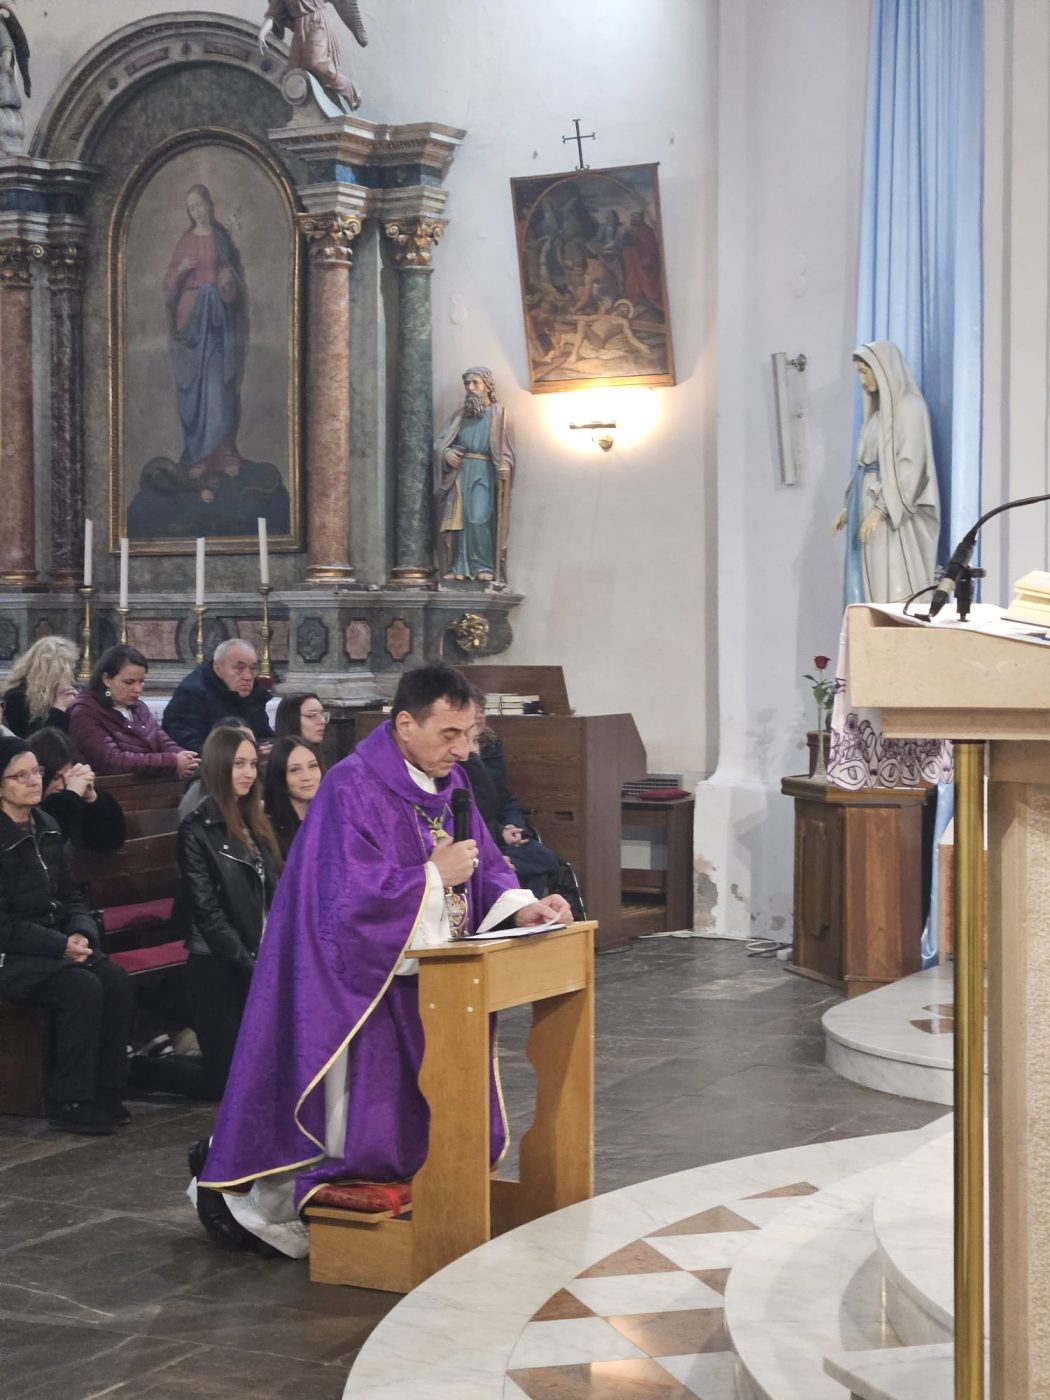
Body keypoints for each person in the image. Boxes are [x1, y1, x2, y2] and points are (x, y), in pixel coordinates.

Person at [192, 663, 571, 1257]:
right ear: (405, 725)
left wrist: (521, 907)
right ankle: (254, 1199)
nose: (463, 750)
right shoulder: (352, 787)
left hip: (434, 980)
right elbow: (344, 903)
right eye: (450, 734)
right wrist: (430, 878)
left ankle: (417, 1183)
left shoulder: (452, 783)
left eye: (470, 734)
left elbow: (484, 865)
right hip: (358, 986)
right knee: (350, 1114)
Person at [0, 736, 133, 1134]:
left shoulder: (47, 825)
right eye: (20, 775)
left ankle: (106, 1089)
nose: (33, 781)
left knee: (114, 979)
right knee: (80, 987)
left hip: (54, 942)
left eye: (36, 772)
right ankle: (70, 1099)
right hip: (12, 955)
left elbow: (71, 895)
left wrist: (80, 931)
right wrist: (61, 946)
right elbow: (4, 925)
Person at [177, 727, 281, 1101]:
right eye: (238, 764)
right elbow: (208, 913)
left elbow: (272, 894)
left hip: (257, 955)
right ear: (219, 766)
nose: (248, 773)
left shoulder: (257, 822)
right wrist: (252, 965)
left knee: (263, 1074)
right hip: (217, 963)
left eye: (252, 764)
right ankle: (149, 1069)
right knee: (226, 1083)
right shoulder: (196, 829)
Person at [833, 341, 941, 606]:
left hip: (890, 509)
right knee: (866, 575)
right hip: (865, 502)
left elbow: (910, 465)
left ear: (884, 369)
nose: (862, 381)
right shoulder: (878, 413)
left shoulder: (910, 407)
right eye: (859, 373)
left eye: (865, 372)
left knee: (889, 575)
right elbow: (864, 463)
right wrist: (849, 506)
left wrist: (880, 509)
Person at [461, 698, 562, 901]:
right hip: (478, 840)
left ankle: (522, 907)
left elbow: (505, 799)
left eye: (483, 710)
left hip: (498, 834)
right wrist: (499, 836)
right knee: (535, 865)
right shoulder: (461, 759)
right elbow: (479, 810)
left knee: (544, 859)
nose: (480, 716)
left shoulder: (491, 747)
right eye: (475, 710)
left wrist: (513, 827)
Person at [67, 645, 198, 778]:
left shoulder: (139, 708)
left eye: (141, 681)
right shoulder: (85, 712)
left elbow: (161, 740)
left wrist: (184, 756)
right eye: (129, 682)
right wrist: (172, 761)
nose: (137, 689)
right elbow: (111, 760)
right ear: (106, 679)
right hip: (112, 786)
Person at [434, 367, 515, 583]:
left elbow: (506, 451)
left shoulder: (500, 415)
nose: (470, 388)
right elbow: (441, 443)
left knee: (478, 518)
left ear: (488, 387)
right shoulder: (459, 416)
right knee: (458, 522)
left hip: (483, 472)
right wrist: (446, 453)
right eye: (467, 384)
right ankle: (458, 566)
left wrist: (506, 465)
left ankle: (483, 565)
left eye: (475, 383)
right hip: (459, 474)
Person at [162, 640, 274, 755]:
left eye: (252, 669)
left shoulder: (254, 693)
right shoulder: (191, 694)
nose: (248, 677)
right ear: (217, 668)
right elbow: (187, 747)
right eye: (239, 668)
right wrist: (243, 754)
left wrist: (267, 749)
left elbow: (265, 735)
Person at [27, 727, 125, 853]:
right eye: (55, 778)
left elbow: (111, 842)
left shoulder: (74, 802)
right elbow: (49, 841)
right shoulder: (25, 808)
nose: (61, 786)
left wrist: (92, 799)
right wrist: (71, 796)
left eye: (68, 777)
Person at [258, 0, 368, 111]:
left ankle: (350, 88)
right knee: (293, 71)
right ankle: (326, 101)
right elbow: (273, 15)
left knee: (316, 64)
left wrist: (360, 35)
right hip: (300, 30)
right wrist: (262, 33)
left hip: (317, 24)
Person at [2, 635, 79, 737]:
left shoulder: (59, 694)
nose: (72, 678)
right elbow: (39, 740)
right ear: (55, 671)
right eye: (70, 670)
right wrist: (59, 708)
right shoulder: (17, 696)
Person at [263, 734, 323, 858]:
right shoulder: (268, 831)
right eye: (295, 770)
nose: (307, 777)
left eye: (312, 766)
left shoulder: (335, 820)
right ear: (279, 775)